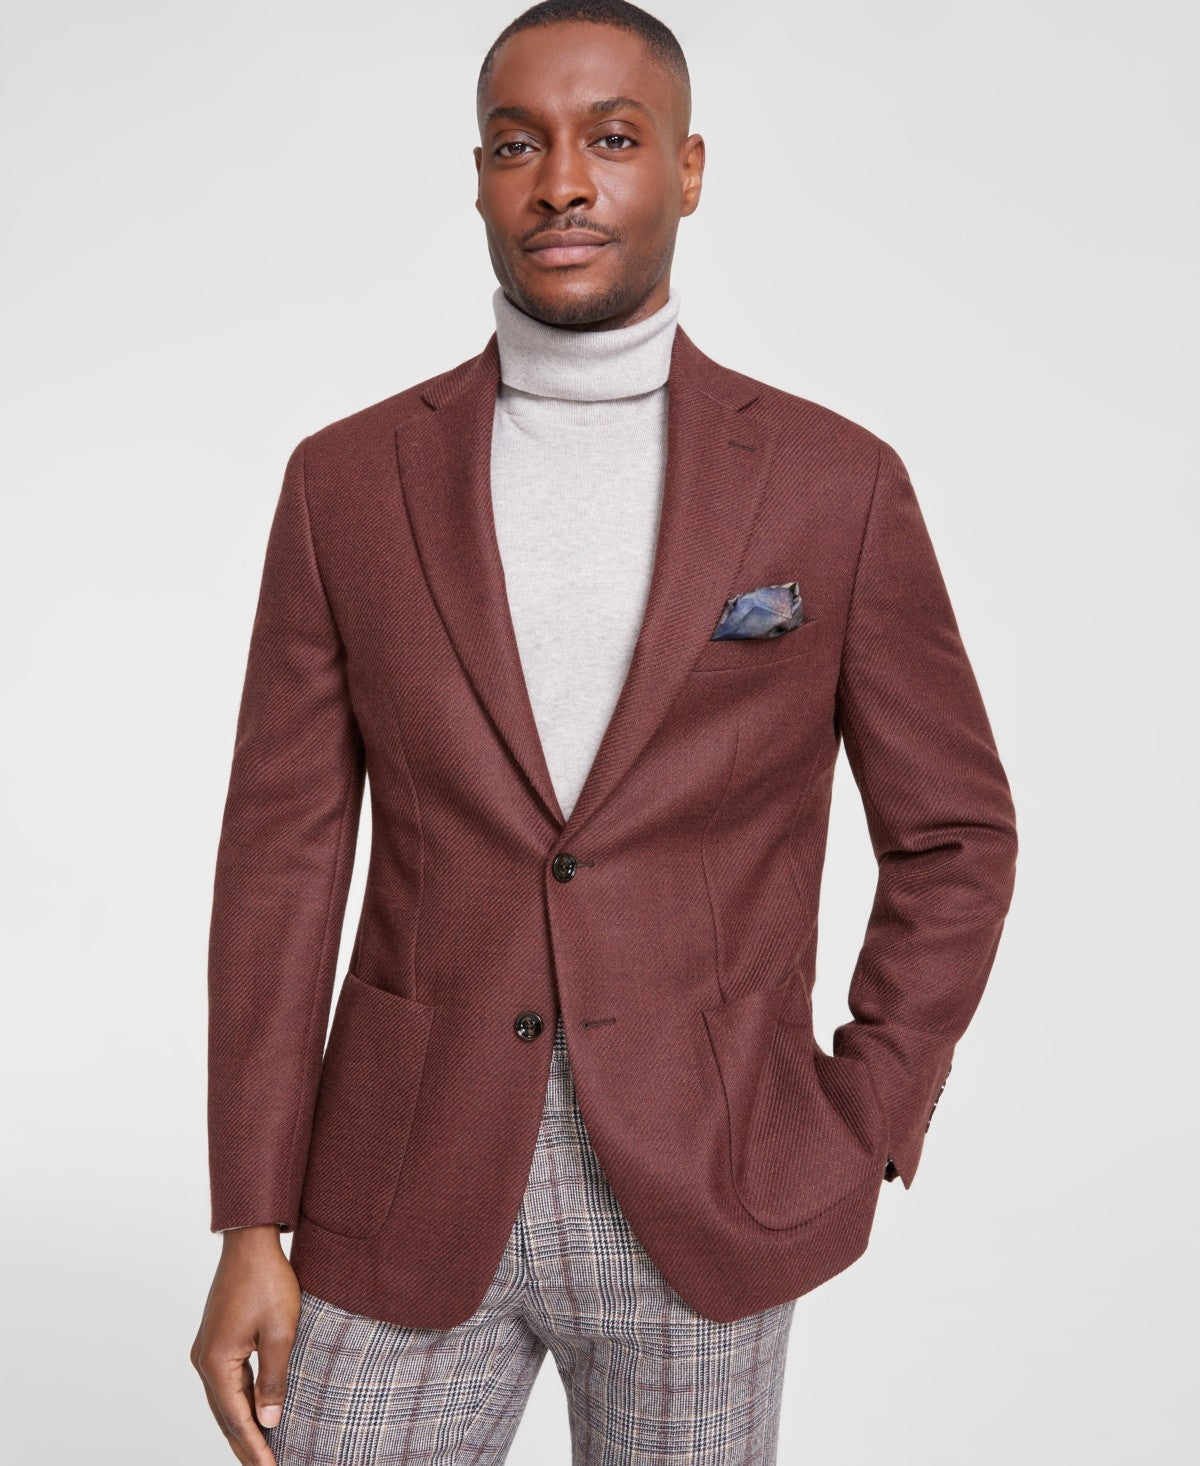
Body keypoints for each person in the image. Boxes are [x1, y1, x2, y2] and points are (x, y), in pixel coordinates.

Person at [191, 2, 1019, 1462]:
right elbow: (281, 866)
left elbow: (955, 834)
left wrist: (869, 1105)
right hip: (402, 1177)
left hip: (712, 1180)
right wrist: (250, 1216)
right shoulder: (346, 486)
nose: (563, 183)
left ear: (689, 169)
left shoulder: (833, 483)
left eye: (613, 139)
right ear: (478, 177)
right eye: (519, 145)